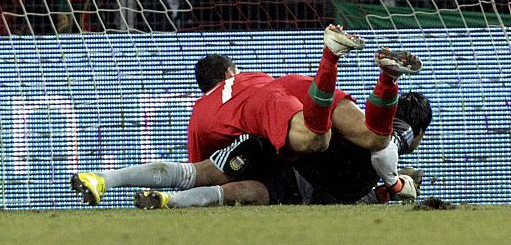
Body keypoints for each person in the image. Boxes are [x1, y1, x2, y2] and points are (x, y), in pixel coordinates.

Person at [71, 25, 422, 205]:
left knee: (198, 174)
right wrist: (394, 184)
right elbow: (385, 149)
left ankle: (106, 179)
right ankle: (385, 78)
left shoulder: (201, 112)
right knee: (374, 138)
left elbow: (200, 172)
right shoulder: (250, 76)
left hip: (267, 115)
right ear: (229, 72)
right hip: (292, 85)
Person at [134, 91, 433, 208]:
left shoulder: (359, 119)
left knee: (204, 173)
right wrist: (394, 183)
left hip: (277, 139)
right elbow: (393, 140)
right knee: (244, 192)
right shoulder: (387, 142)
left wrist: (386, 191)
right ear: (418, 132)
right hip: (300, 177)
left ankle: (152, 193)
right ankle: (169, 201)